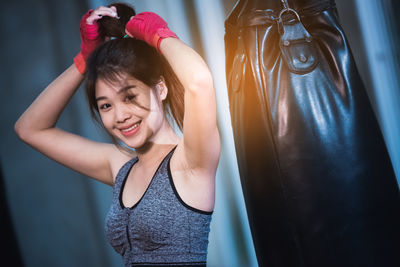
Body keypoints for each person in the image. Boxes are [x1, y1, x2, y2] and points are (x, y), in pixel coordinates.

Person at [14, 3, 220, 266]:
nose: (120, 116)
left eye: (130, 96)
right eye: (106, 105)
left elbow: (199, 82)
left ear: (161, 89)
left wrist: (159, 36)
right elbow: (29, 128)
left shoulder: (190, 161)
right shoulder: (120, 167)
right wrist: (85, 60)